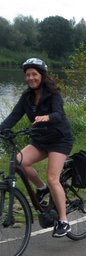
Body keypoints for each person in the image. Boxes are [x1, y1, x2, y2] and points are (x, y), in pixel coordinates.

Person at [0, 58, 73, 238]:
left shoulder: (53, 93)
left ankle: (63, 221)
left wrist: (46, 117)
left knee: (52, 177)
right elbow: (14, 116)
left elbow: (58, 114)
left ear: (42, 75)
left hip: (59, 139)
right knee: (19, 161)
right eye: (28, 75)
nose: (30, 78)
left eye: (34, 74)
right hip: (40, 140)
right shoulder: (27, 97)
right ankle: (41, 189)